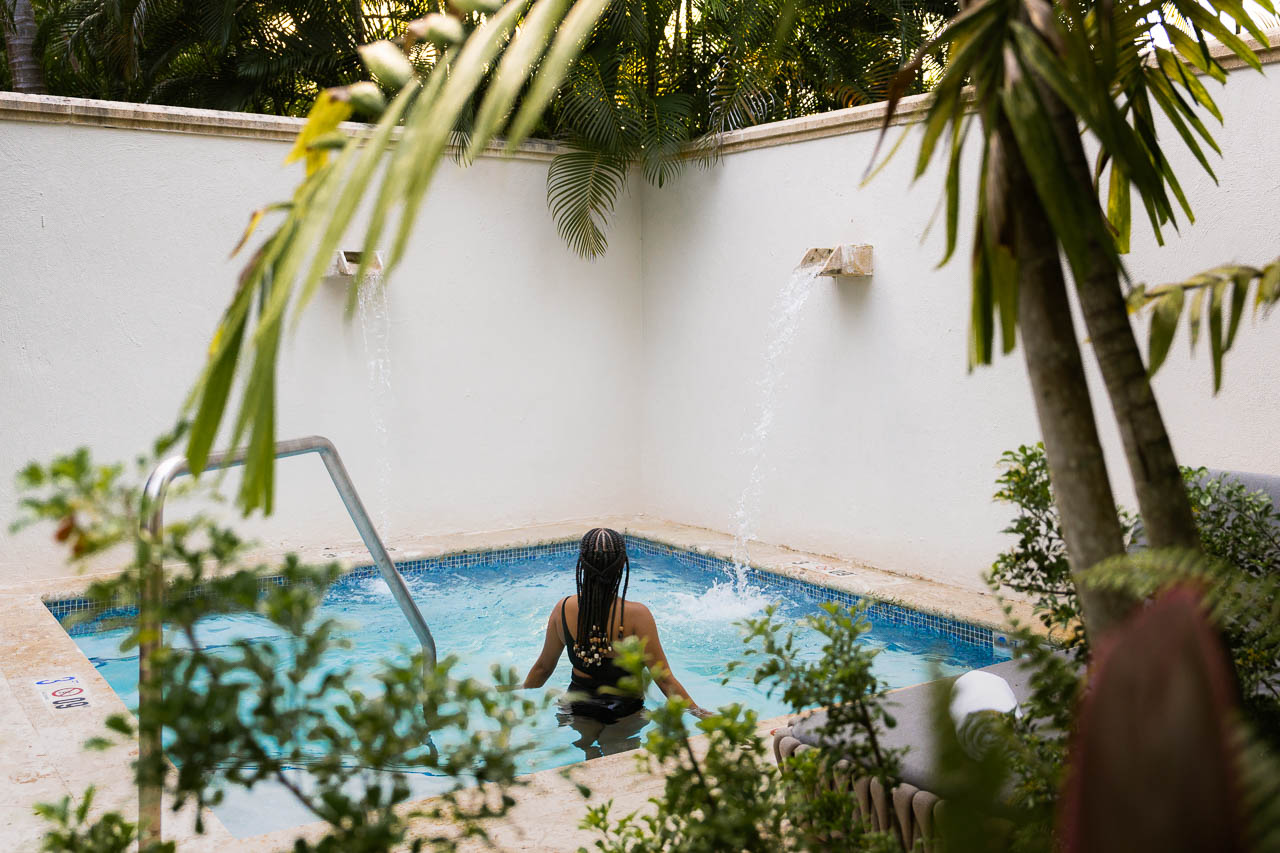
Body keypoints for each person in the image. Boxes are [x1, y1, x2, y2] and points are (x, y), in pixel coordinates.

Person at [522, 528, 710, 752]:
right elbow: (664, 680)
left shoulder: (563, 609)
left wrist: (517, 694)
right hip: (624, 713)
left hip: (576, 708)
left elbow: (543, 668)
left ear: (582, 564)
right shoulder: (637, 616)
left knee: (588, 763)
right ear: (622, 565)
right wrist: (699, 713)